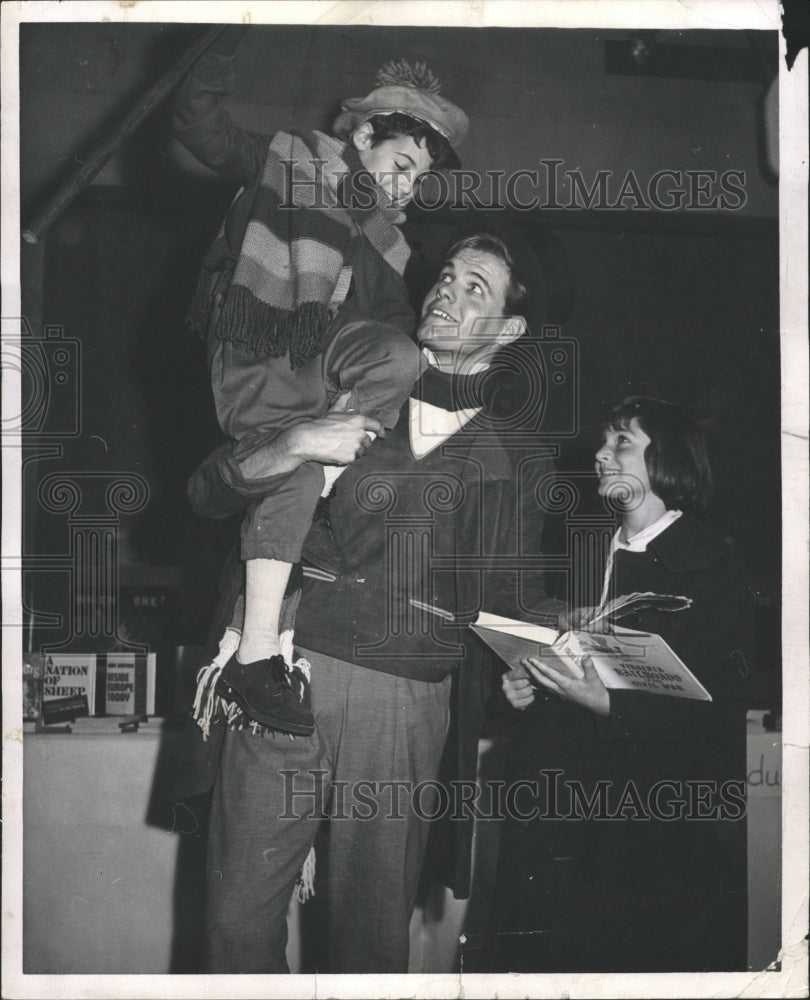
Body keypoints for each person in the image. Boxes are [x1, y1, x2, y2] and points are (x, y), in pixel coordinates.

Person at [184, 221, 560, 973]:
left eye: (474, 288)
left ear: (511, 327)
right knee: (234, 923)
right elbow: (206, 492)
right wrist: (293, 444)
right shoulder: (352, 373)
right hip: (281, 670)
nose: (446, 292)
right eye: (447, 276)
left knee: (368, 937)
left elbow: (517, 590)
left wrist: (536, 656)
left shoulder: (518, 453)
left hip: (406, 697)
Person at [174, 26, 468, 733]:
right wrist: (216, 40)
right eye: (399, 163)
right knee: (293, 471)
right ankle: (252, 657)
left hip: (325, 373)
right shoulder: (282, 164)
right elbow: (198, 122)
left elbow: (396, 338)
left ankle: (325, 477)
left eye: (418, 179)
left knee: (395, 360)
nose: (406, 186)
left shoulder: (384, 241)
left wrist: (359, 414)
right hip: (257, 351)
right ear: (362, 134)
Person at [489, 396, 753, 972]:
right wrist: (524, 690)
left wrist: (611, 705)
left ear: (668, 463)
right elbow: (555, 660)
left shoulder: (712, 567)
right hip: (552, 808)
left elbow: (722, 713)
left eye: (621, 443)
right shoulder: (578, 551)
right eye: (604, 443)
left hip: (638, 828)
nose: (601, 455)